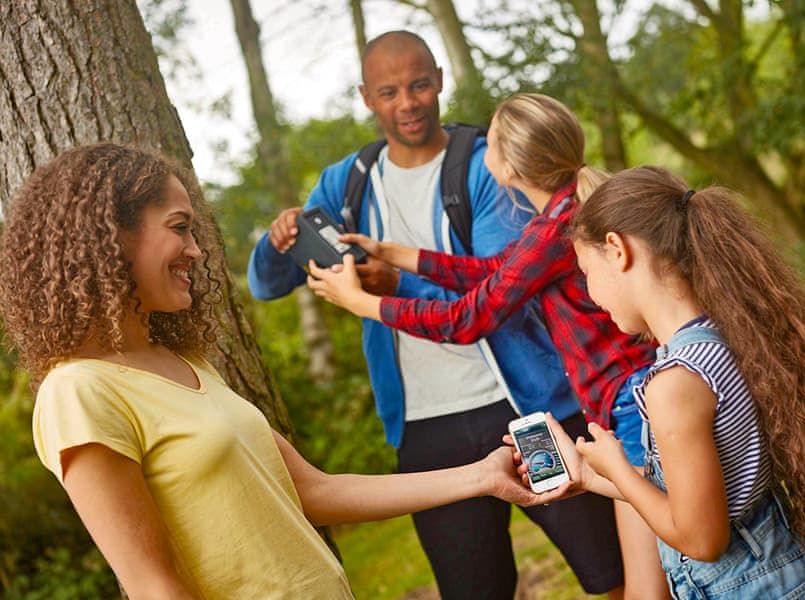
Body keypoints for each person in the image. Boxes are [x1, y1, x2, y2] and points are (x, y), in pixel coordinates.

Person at [0, 142, 568, 600]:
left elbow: (314, 489)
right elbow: (154, 586)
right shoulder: (78, 392)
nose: (197, 251)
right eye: (179, 227)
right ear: (113, 237)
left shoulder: (184, 363)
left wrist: (480, 477)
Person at [248, 32, 625, 599]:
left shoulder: (486, 165)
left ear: (440, 80)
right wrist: (279, 241)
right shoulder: (346, 182)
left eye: (419, 84)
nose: (408, 102)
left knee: (609, 573)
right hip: (428, 430)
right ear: (367, 97)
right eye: (389, 90)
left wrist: (384, 291)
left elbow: (495, 293)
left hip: (522, 408)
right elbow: (264, 283)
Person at [307, 92, 668, 598]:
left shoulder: (557, 228)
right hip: (628, 406)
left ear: (510, 163)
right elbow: (492, 274)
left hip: (631, 411)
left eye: (489, 142)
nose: (480, 150)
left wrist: (362, 304)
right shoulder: (559, 217)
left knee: (649, 589)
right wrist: (392, 253)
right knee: (655, 584)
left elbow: (468, 316)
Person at [547, 165, 805, 597]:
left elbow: (702, 539)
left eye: (585, 271)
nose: (591, 295)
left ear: (617, 250)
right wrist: (592, 476)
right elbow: (693, 493)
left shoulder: (675, 384)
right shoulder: (721, 338)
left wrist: (622, 474)